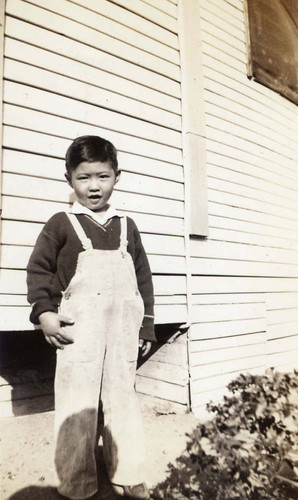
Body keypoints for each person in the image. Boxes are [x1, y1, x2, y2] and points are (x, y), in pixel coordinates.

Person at [26, 135, 155, 500]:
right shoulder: (62, 223)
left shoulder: (127, 225)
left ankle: (127, 471)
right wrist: (45, 313)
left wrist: (145, 325)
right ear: (69, 179)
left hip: (122, 329)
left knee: (122, 398)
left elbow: (142, 278)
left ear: (117, 176)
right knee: (77, 401)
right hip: (77, 329)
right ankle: (77, 482)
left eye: (102, 176)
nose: (94, 186)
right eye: (84, 178)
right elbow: (39, 272)